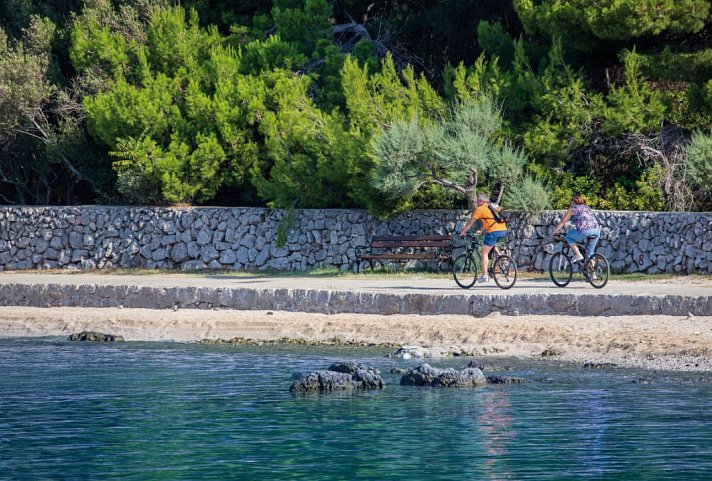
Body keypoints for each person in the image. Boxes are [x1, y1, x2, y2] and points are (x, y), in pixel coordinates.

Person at [459, 193, 507, 283]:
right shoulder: (493, 206)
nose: (476, 202)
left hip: (493, 231)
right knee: (490, 244)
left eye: (477, 200)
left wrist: (463, 231)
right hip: (503, 230)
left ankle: (485, 275)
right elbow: (491, 221)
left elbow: (471, 222)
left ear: (481, 201)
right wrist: (481, 230)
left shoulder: (480, 209)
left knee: (484, 252)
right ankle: (499, 256)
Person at [553, 193, 600, 264]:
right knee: (590, 253)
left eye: (571, 200)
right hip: (596, 230)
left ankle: (578, 255)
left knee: (569, 236)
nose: (570, 202)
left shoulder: (573, 209)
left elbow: (563, 221)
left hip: (585, 230)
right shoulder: (587, 207)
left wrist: (556, 231)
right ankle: (593, 273)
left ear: (573, 201)